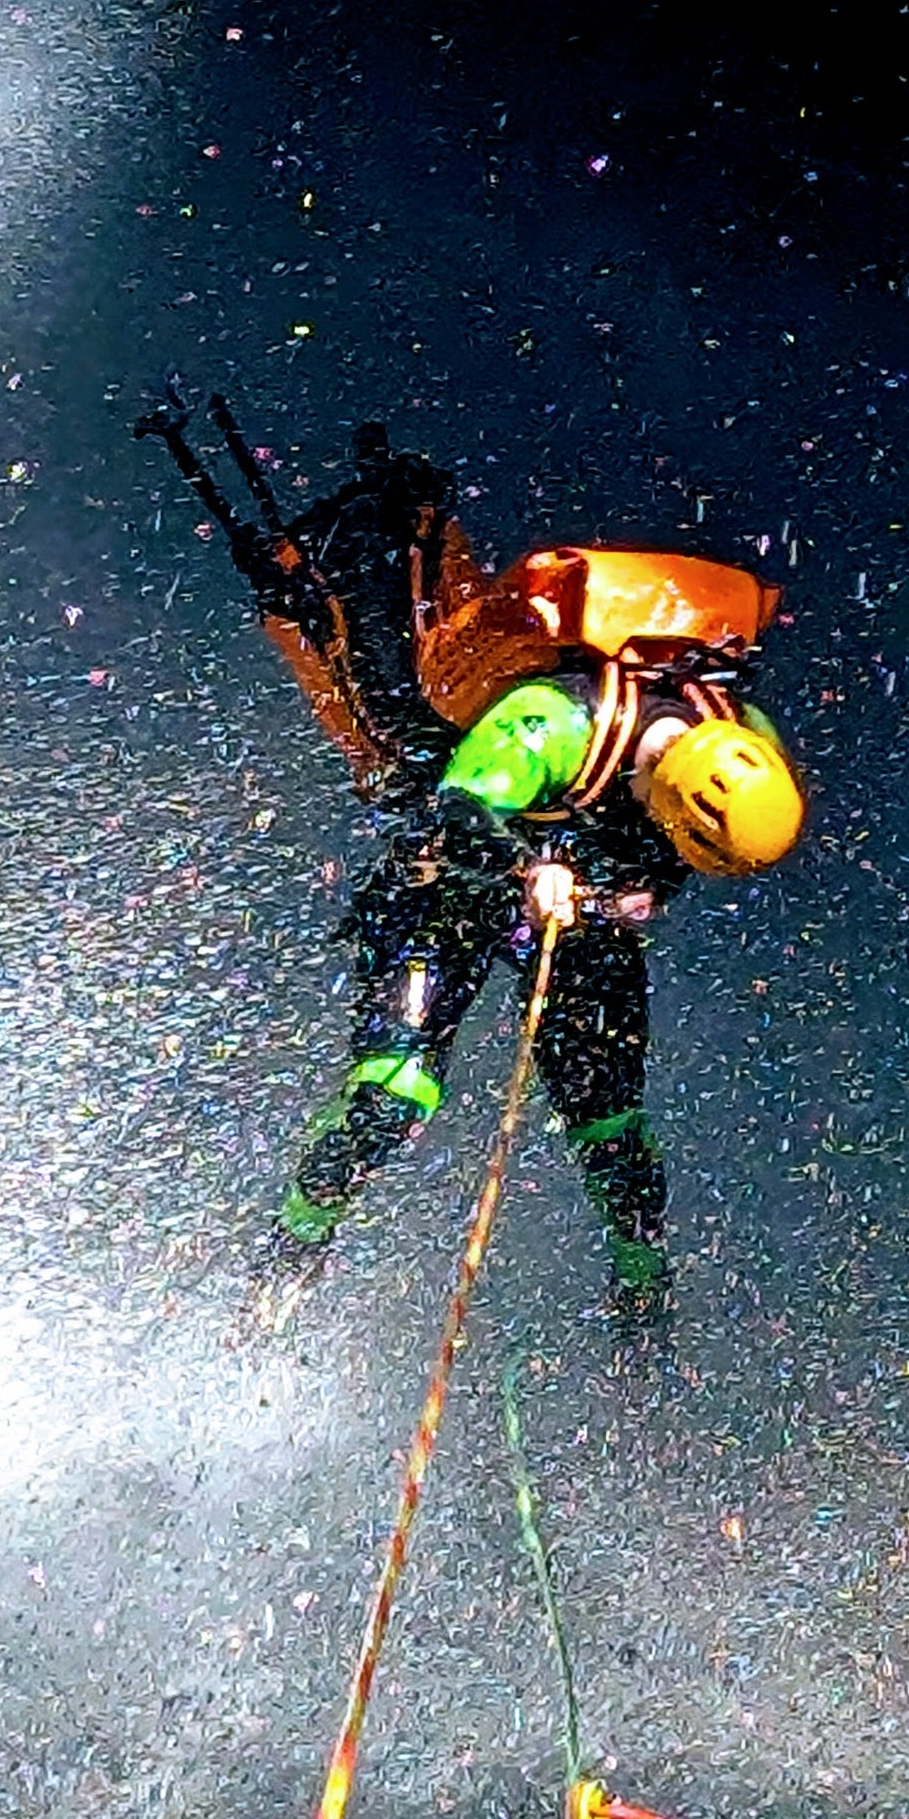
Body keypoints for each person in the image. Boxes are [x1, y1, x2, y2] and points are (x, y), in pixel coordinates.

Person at [134, 395, 806, 1333]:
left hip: (580, 913)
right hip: (456, 879)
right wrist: (532, 870)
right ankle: (291, 1251)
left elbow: (677, 865)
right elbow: (462, 803)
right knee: (393, 1093)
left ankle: (643, 1286)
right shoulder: (554, 723)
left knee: (608, 1117)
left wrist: (629, 894)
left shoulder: (742, 734)